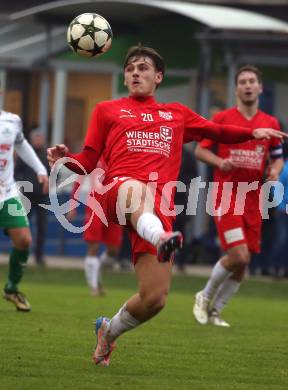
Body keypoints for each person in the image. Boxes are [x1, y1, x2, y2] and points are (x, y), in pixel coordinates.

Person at [47, 47, 285, 366]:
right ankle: (160, 238)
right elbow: (88, 161)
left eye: (143, 68)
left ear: (158, 77)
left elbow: (216, 131)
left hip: (158, 210)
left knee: (155, 299)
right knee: (134, 188)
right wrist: (66, 160)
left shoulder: (177, 114)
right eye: (130, 68)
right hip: (119, 192)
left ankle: (108, 332)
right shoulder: (107, 110)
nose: (134, 73)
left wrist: (252, 132)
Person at [193, 65, 284, 327]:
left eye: (251, 81)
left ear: (259, 87)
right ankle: (204, 295)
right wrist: (219, 163)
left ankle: (216, 311)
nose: (247, 85)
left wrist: (275, 172)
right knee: (239, 256)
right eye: (242, 81)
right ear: (236, 89)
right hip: (227, 195)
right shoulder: (222, 118)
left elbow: (277, 159)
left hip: (254, 199)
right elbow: (201, 151)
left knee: (244, 262)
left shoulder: (270, 124)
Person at [0, 112, 49, 311]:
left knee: (24, 240)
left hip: (7, 193)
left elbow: (21, 144)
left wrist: (40, 169)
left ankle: (11, 288)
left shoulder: (12, 120)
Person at [67, 158, 123, 296]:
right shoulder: (95, 155)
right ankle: (94, 287)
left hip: (115, 207)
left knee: (114, 250)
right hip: (95, 204)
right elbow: (79, 178)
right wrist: (73, 203)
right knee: (93, 246)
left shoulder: (120, 155)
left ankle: (97, 276)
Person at [15, 128, 50, 266]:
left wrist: (50, 183)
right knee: (24, 226)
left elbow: (55, 173)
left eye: (40, 137)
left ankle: (39, 255)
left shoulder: (48, 155)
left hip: (43, 196)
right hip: (27, 197)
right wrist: (23, 185)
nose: (38, 140)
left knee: (42, 226)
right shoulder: (25, 155)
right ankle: (22, 255)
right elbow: (16, 172)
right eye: (36, 138)